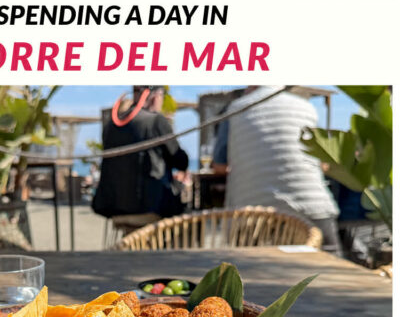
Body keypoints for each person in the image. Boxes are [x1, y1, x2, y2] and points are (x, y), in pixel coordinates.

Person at [212, 87, 342, 254]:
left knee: (247, 271)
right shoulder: (306, 108)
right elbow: (324, 163)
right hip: (311, 206)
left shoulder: (236, 109)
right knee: (332, 265)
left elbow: (219, 166)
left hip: (252, 214)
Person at [93, 86, 189, 220]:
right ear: (155, 97)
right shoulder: (156, 121)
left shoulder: (112, 124)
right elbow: (181, 161)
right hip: (150, 207)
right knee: (188, 214)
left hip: (112, 208)